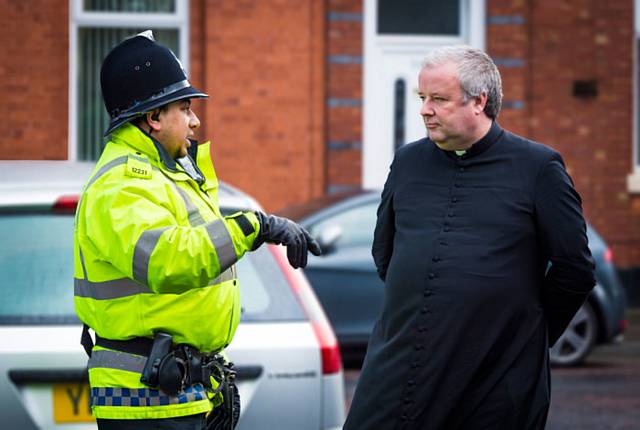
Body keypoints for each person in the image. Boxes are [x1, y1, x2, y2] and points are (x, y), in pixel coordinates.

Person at [73, 31, 321, 430]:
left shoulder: (162, 176)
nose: (195, 120)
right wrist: (254, 226)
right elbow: (169, 259)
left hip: (175, 393)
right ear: (153, 118)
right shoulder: (122, 184)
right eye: (185, 108)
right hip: (146, 402)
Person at [343, 45, 596, 430]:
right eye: (422, 97)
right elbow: (387, 251)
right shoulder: (408, 161)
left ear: (479, 101)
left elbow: (574, 269)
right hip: (399, 363)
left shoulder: (538, 168)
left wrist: (525, 333)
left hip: (495, 372)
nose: (425, 109)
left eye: (439, 99)